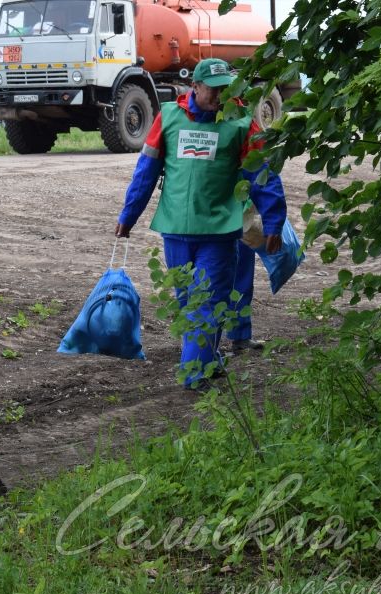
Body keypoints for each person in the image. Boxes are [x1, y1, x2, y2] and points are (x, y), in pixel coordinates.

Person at [114, 58, 287, 387]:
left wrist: (275, 221)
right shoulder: (169, 117)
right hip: (176, 230)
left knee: (207, 301)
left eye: (225, 89)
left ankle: (194, 374)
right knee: (187, 301)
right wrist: (129, 215)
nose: (220, 96)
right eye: (213, 89)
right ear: (195, 86)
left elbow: (262, 175)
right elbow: (146, 172)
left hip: (219, 232)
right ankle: (207, 359)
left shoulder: (240, 122)